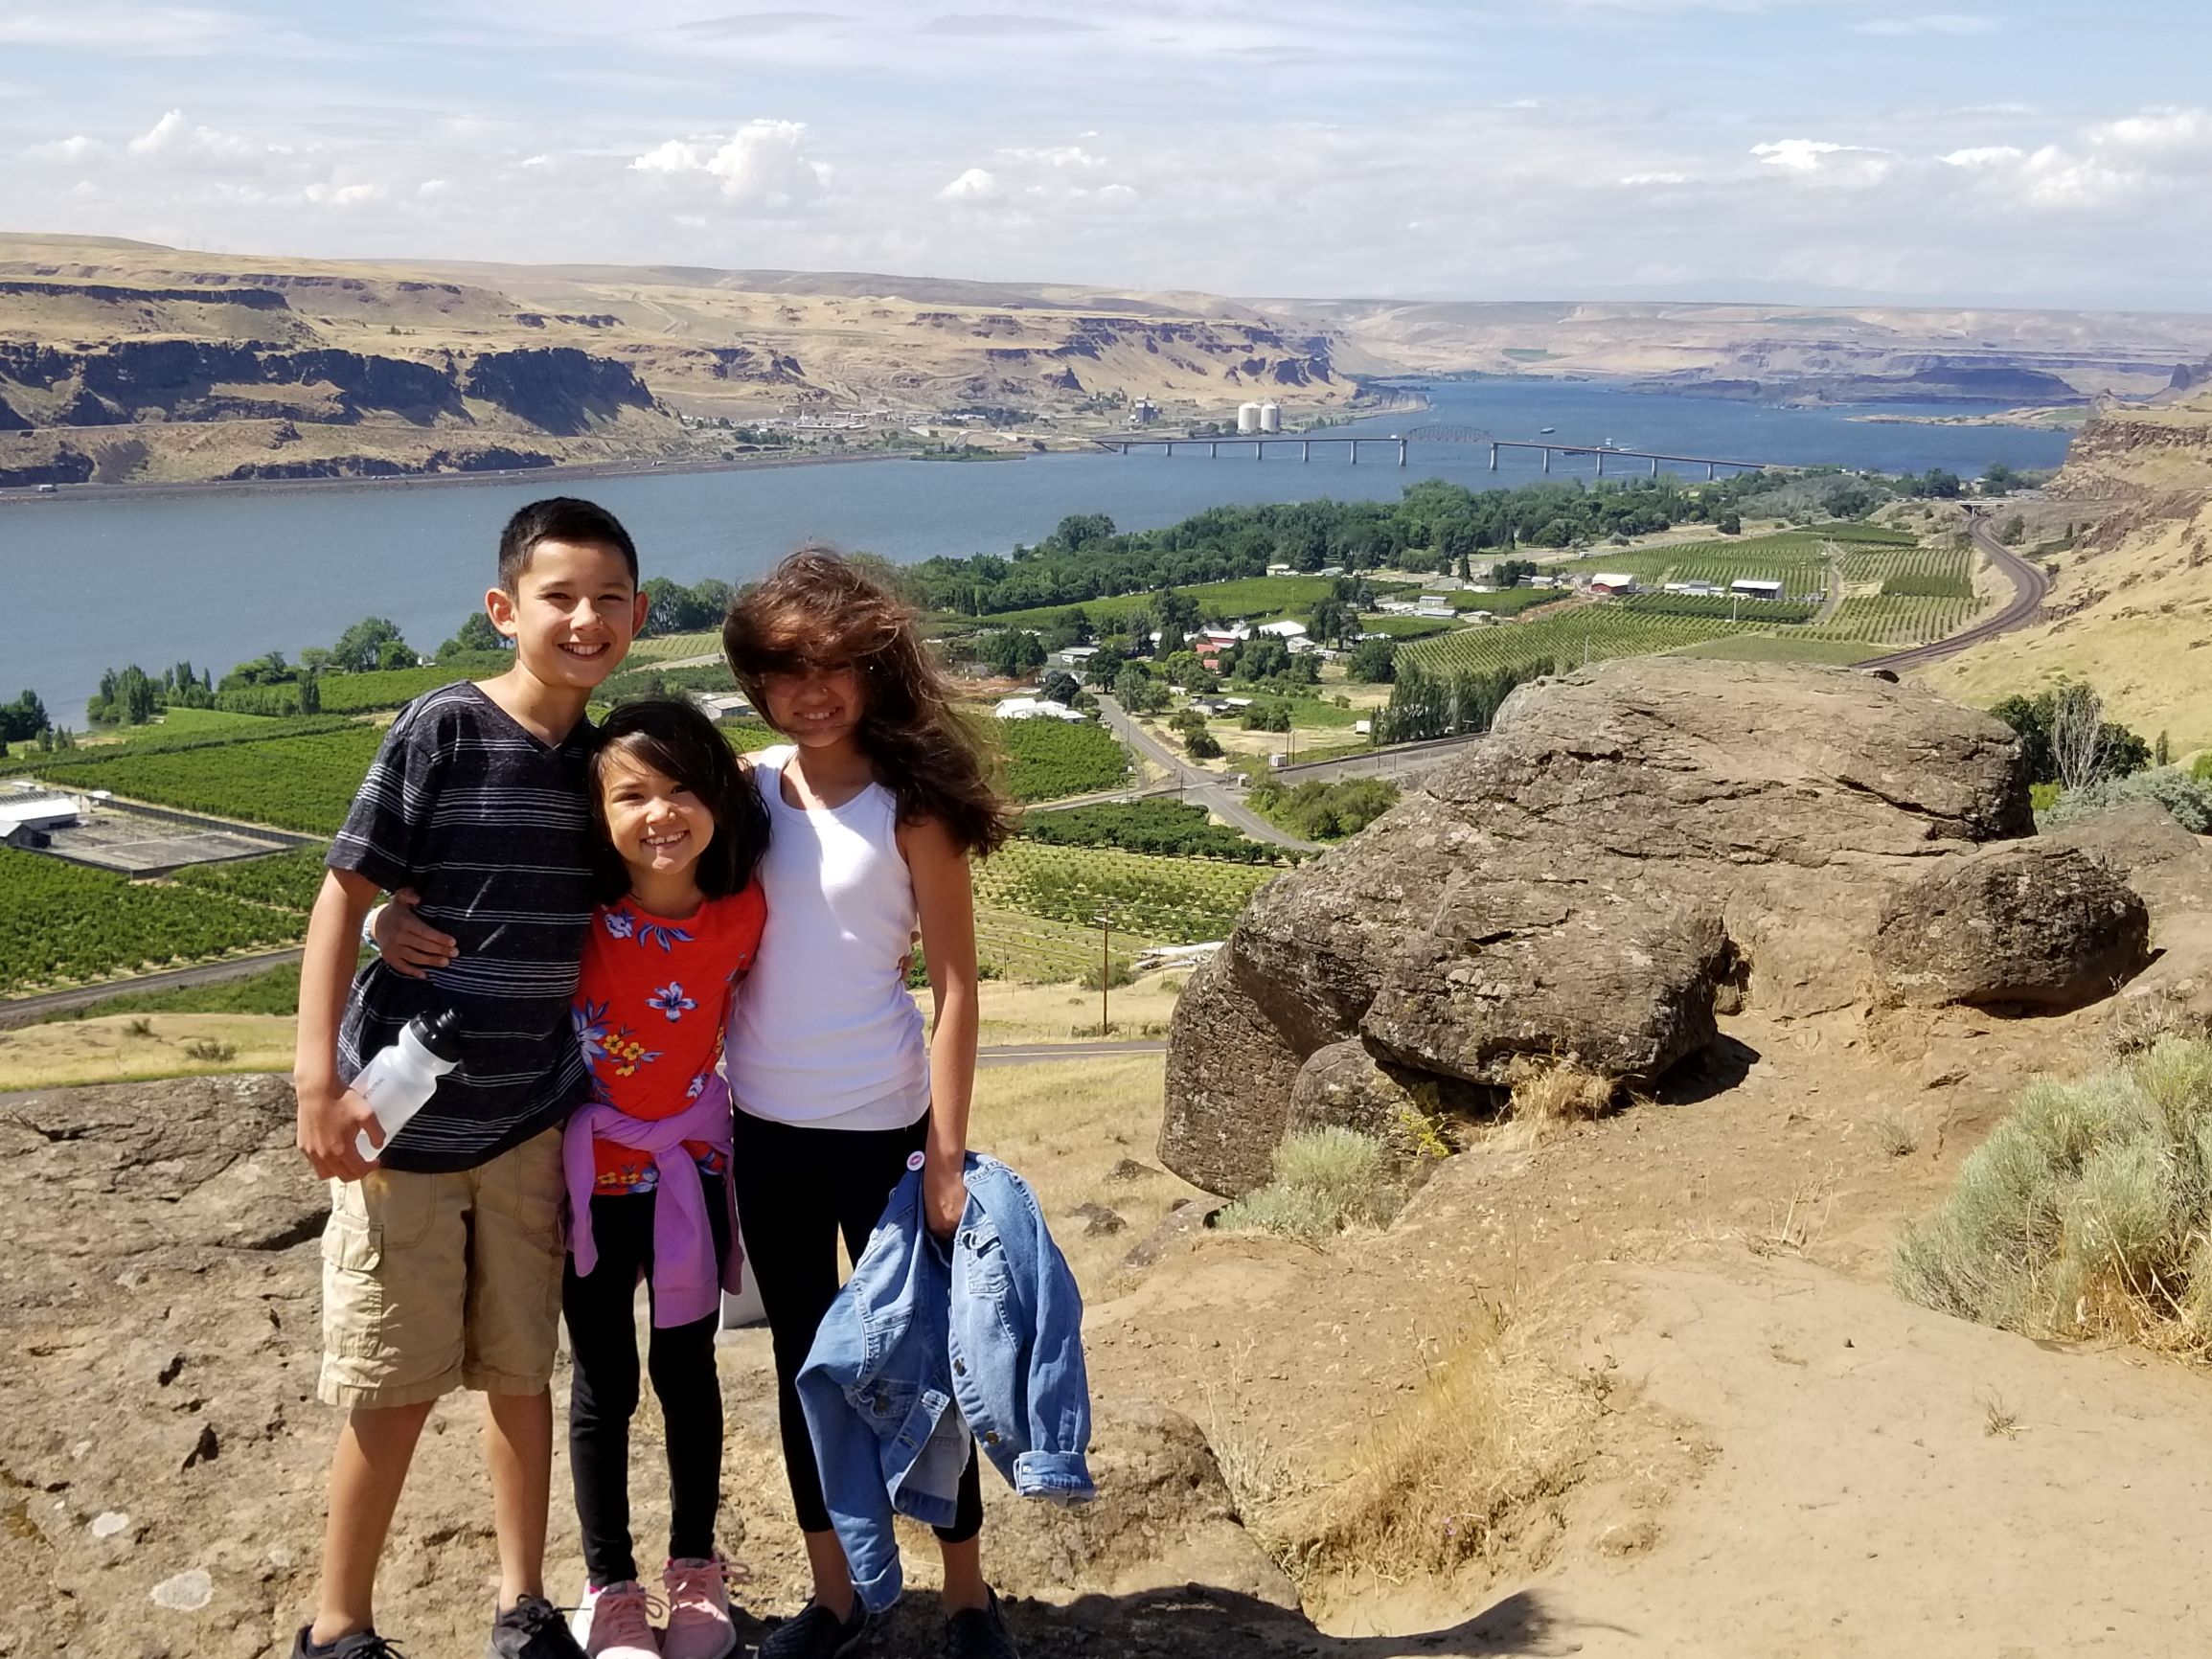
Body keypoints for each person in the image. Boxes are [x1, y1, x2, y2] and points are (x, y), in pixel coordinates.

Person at [290, 497, 646, 1659]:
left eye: (606, 599)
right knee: (390, 1384)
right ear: (505, 610)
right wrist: (314, 1086)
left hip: (531, 1122)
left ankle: (521, 1602)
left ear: (638, 615)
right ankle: (338, 1624)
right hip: (403, 1134)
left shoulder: (606, 764)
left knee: (518, 1372)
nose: (583, 619)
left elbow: (675, 851)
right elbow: (345, 893)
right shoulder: (443, 727)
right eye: (559, 597)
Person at [718, 548, 1023, 1659]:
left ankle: (965, 1593)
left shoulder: (913, 808)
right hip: (765, 1130)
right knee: (806, 1364)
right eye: (786, 669)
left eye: (835, 665)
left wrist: (944, 1157)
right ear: (756, 680)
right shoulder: (742, 791)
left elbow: (952, 985)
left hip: (887, 1133)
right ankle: (835, 1593)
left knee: (922, 1364)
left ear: (873, 669)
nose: (812, 690)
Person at [559, 700, 769, 1659]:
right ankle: (609, 1586)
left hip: (690, 1170)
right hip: (590, 1184)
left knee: (685, 1373)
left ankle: (696, 1571)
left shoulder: (746, 911)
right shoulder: (582, 914)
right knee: (604, 1380)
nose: (660, 814)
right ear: (597, 812)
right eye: (632, 793)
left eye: (683, 788)